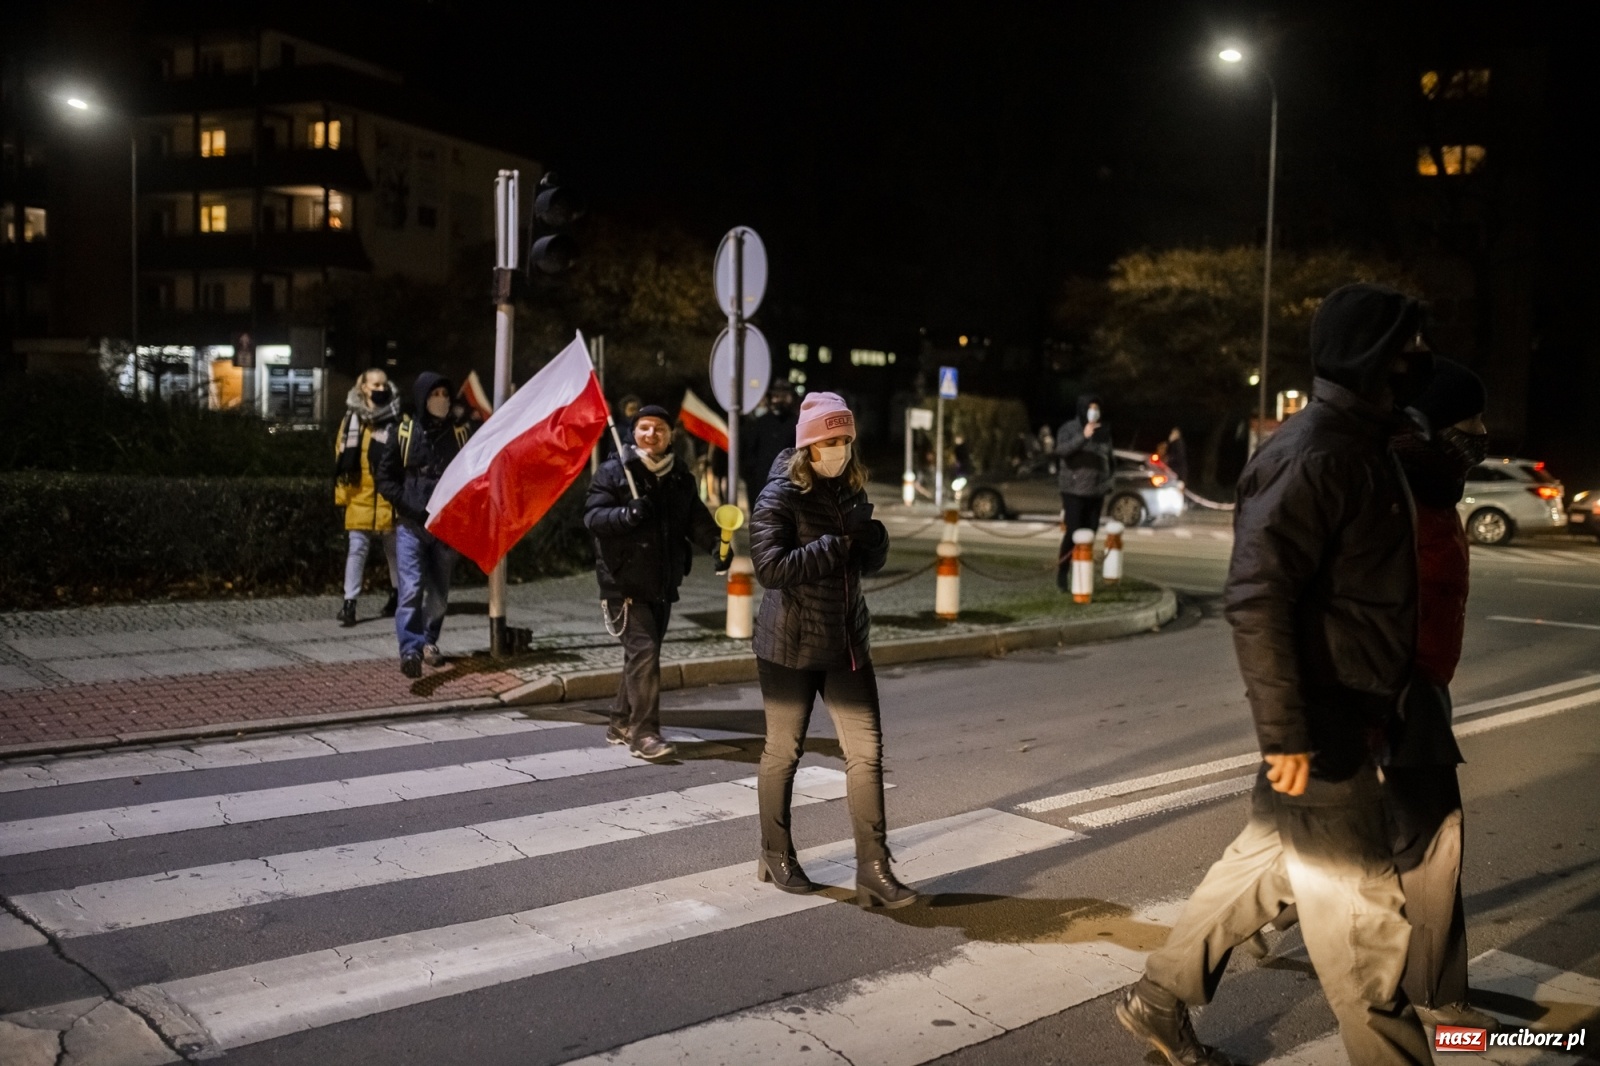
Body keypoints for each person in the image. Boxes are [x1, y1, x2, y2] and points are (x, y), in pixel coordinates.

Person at [1116, 283, 1435, 1066]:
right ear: (1372, 357)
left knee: (1261, 868)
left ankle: (1158, 999)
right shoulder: (1316, 453)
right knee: (1364, 928)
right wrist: (1287, 733)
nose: (1419, 362)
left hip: (1344, 717)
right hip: (1321, 729)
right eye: (1407, 349)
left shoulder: (1359, 442)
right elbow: (1258, 599)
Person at [748, 392, 916, 909]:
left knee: (866, 754)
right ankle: (775, 852)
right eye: (829, 440)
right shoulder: (779, 495)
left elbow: (862, 565)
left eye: (844, 440)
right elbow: (771, 568)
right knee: (784, 751)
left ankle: (874, 869)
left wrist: (874, 543)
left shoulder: (849, 489)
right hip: (789, 646)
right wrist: (838, 545)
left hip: (847, 643)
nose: (838, 449)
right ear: (807, 445)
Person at [1388, 356, 1496, 1030]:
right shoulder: (1394, 480)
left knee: (1302, 852)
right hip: (1394, 687)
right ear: (1428, 425)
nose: (1481, 434)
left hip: (1420, 683)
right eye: (1469, 421)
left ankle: (1167, 992)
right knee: (1434, 842)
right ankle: (1438, 1002)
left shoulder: (1434, 481)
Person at [584, 404, 729, 760]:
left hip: (663, 579)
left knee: (641, 655)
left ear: (670, 436)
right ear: (633, 432)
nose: (652, 435)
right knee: (645, 652)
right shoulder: (614, 472)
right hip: (625, 581)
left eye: (659, 429)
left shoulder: (679, 475)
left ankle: (620, 721)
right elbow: (593, 517)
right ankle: (644, 734)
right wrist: (625, 515)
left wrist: (716, 544)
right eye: (645, 428)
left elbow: (695, 518)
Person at [373, 371, 473, 679]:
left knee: (439, 594)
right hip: (411, 527)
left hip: (445, 530)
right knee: (411, 589)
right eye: (435, 394)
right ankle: (411, 650)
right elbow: (385, 478)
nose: (441, 400)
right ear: (421, 398)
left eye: (445, 394)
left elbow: (469, 477)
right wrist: (408, 505)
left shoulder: (458, 435)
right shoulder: (403, 433)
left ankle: (429, 641)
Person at [334, 369, 402, 627]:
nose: (381, 388)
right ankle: (349, 604)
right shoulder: (351, 420)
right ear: (363, 387)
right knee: (357, 551)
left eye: (384, 384)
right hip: (359, 496)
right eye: (375, 384)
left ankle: (397, 596)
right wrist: (343, 497)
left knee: (395, 552)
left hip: (389, 498)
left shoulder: (397, 419)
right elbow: (341, 460)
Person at [1053, 393, 1113, 591]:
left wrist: (1108, 482)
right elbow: (1061, 451)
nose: (1094, 412)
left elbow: (1109, 459)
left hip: (1096, 491)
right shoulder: (1069, 429)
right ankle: (1063, 572)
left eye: (1097, 408)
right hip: (1073, 490)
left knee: (1091, 532)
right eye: (1090, 407)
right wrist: (1083, 436)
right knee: (1073, 532)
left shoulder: (1104, 431)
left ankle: (1082, 574)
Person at [743, 381, 799, 492]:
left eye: (784, 396)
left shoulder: (797, 423)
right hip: (762, 483)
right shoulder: (761, 423)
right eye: (776, 396)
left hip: (788, 484)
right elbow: (750, 453)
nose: (780, 400)